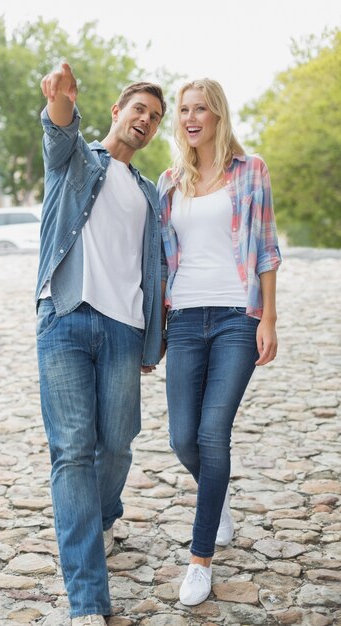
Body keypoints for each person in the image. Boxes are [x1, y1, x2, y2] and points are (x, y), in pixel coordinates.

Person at [36, 62, 166, 625]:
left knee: (116, 443)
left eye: (156, 118)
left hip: (122, 328)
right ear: (117, 111)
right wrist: (61, 99)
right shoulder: (77, 160)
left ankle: (103, 514)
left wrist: (151, 342)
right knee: (72, 451)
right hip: (64, 316)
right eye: (139, 109)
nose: (146, 121)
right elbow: (59, 126)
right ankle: (87, 602)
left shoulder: (147, 194)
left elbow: (155, 272)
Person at [158, 78, 281, 606]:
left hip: (236, 315)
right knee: (183, 439)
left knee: (212, 434)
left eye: (199, 109)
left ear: (217, 116)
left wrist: (268, 317)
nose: (190, 117)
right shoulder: (168, 181)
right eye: (183, 109)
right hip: (184, 319)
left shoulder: (250, 171)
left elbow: (269, 249)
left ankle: (200, 559)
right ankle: (218, 492)